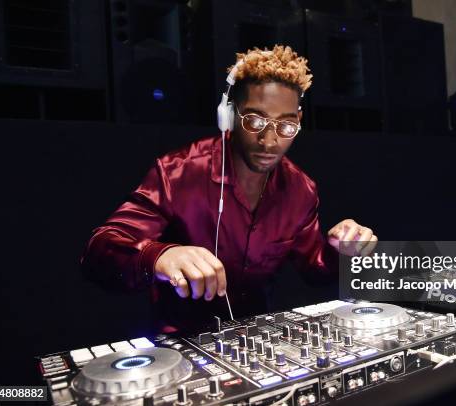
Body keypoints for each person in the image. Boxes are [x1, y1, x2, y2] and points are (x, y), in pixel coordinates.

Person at [81, 45, 377, 332]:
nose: (270, 141)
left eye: (285, 126)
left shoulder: (300, 189)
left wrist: (342, 251)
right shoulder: (178, 172)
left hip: (258, 336)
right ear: (230, 115)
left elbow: (315, 270)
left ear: (298, 121)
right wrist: (158, 256)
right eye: (255, 121)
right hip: (180, 341)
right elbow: (100, 250)